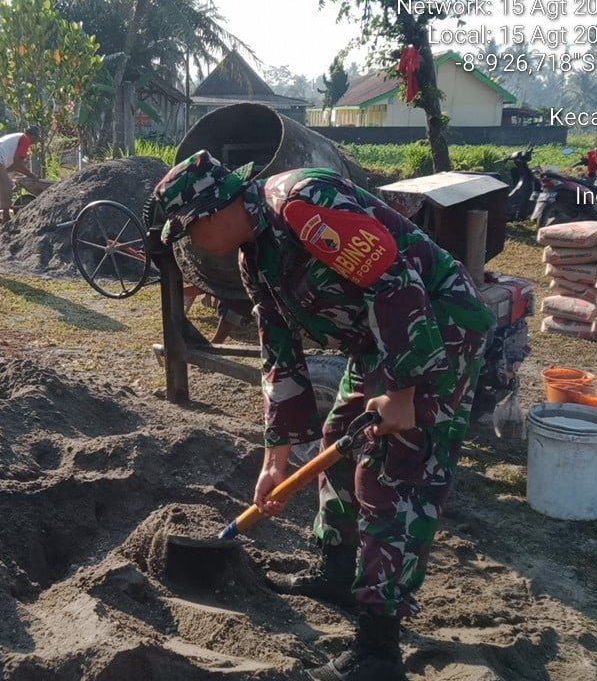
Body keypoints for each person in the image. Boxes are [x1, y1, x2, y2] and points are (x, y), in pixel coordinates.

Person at [153, 151, 495, 680]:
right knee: (340, 437)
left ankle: (379, 648)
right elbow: (279, 352)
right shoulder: (255, 257)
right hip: (376, 345)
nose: (191, 243)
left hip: (436, 331)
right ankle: (337, 571)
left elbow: (392, 278)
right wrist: (276, 456)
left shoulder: (301, 203)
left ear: (213, 210)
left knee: (393, 476)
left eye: (189, 230)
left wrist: (404, 390)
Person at [0, 126, 41, 225]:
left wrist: (11, 170)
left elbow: (13, 165)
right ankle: (6, 217)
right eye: (36, 138)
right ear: (33, 136)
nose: (35, 141)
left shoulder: (17, 136)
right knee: (6, 185)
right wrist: (32, 176)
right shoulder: (25, 139)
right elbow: (18, 164)